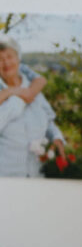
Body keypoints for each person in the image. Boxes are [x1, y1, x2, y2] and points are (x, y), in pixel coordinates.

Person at [0, 34, 66, 178]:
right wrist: (15, 94)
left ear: (19, 59)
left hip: (38, 172)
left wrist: (57, 137)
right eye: (0, 59)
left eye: (10, 56)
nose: (5, 63)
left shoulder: (34, 89)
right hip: (7, 175)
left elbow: (49, 120)